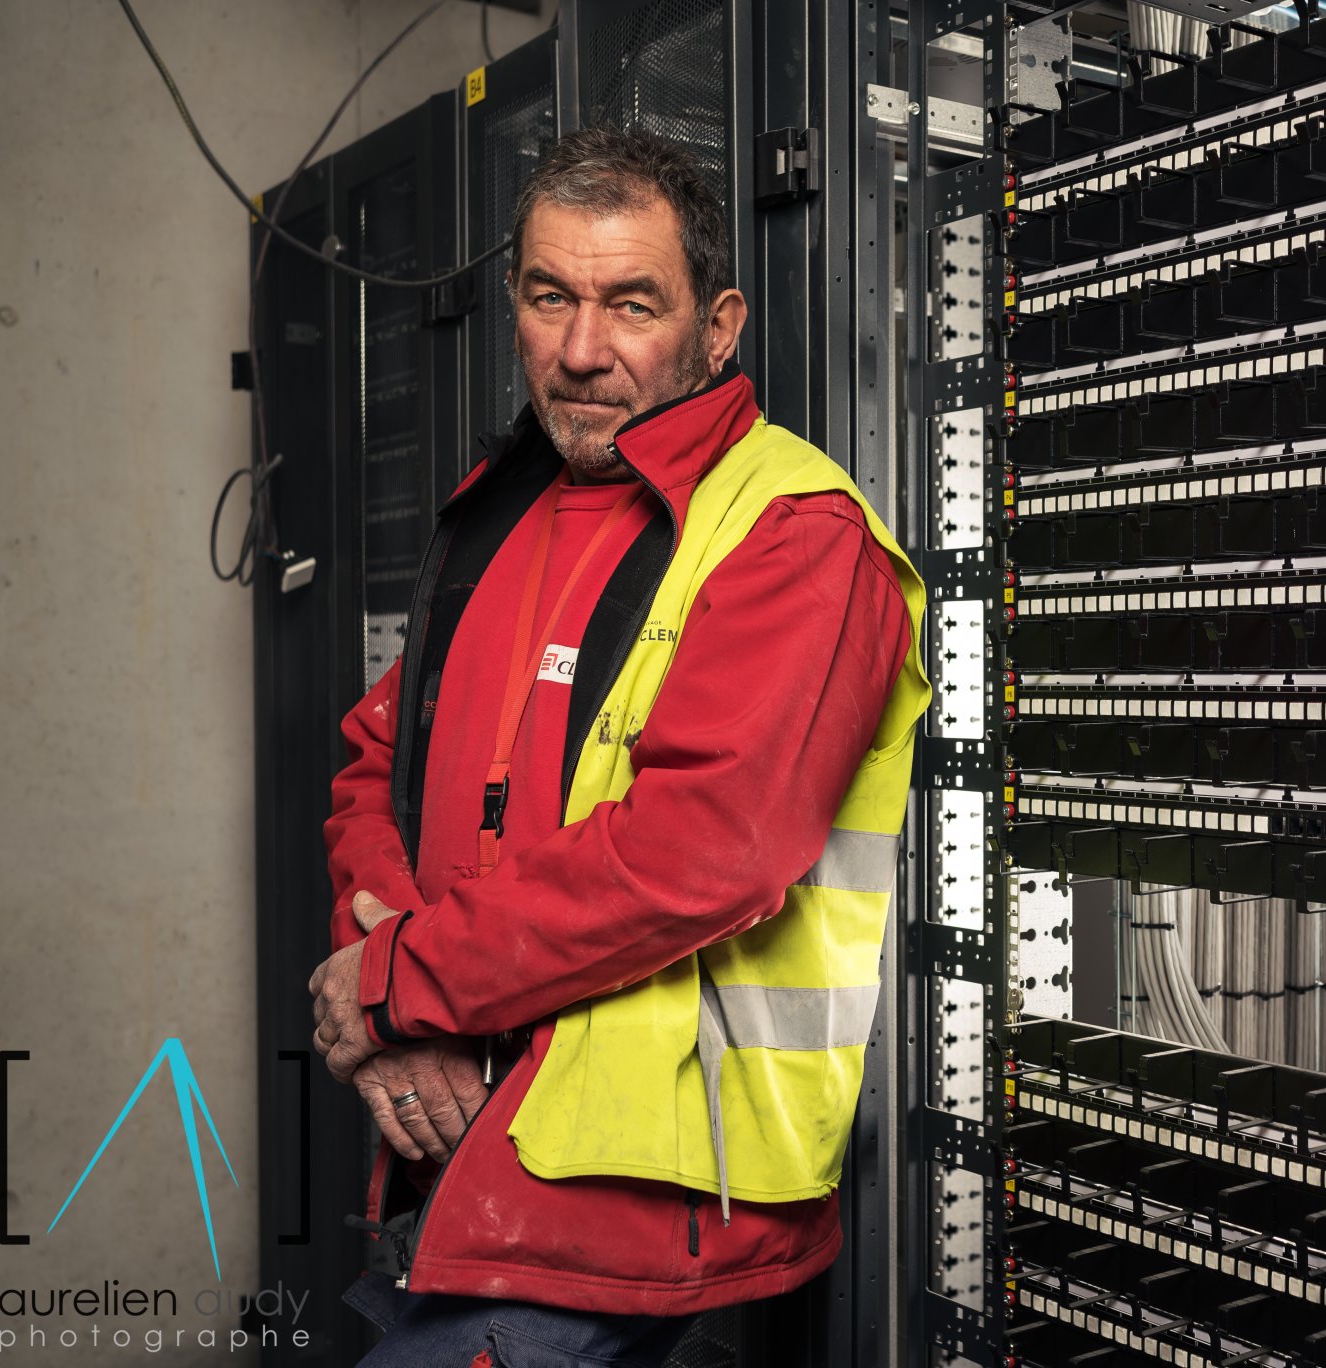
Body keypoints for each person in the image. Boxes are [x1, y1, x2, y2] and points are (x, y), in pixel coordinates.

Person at [305, 125, 930, 1367]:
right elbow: (380, 771)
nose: (582, 351)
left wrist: (391, 985)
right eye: (551, 297)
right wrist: (399, 991)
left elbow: (704, 853)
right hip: (470, 1168)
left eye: (632, 303)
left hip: (641, 1210)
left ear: (718, 326)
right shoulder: (502, 509)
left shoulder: (793, 533)